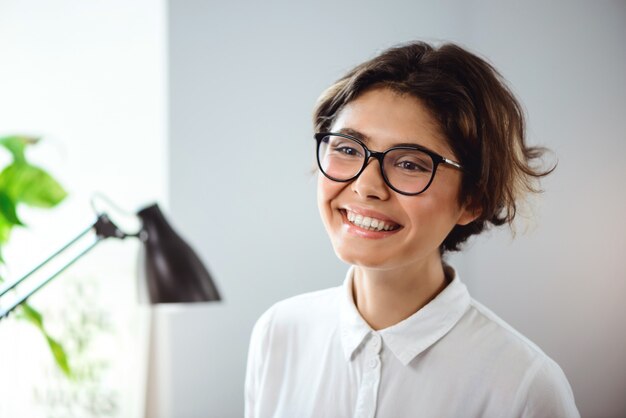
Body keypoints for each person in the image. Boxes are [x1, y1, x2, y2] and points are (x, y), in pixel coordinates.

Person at [245, 41, 580, 418]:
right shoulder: (279, 333)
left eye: (410, 164)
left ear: (473, 200)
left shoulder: (524, 387)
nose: (366, 186)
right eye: (349, 149)